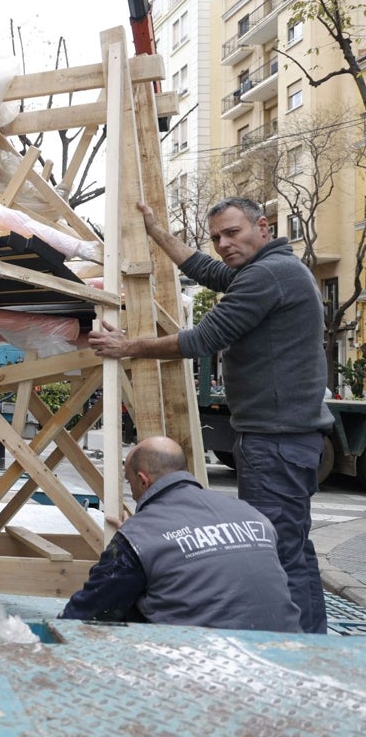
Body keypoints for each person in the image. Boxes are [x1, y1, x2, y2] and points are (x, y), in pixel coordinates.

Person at [88, 197, 332, 633]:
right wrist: (157, 231)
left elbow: (204, 338)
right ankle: (315, 642)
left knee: (278, 551)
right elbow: (209, 271)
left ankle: (296, 652)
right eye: (217, 237)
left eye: (233, 233)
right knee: (294, 548)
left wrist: (128, 347)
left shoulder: (268, 275)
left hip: (277, 438)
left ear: (263, 227)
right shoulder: (271, 268)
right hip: (286, 436)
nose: (223, 244)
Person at [60, 436, 301, 632]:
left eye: (130, 482)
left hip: (209, 665)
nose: (131, 493)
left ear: (143, 481)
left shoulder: (141, 535)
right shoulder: (252, 515)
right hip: (287, 650)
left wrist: (131, 544)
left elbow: (87, 612)